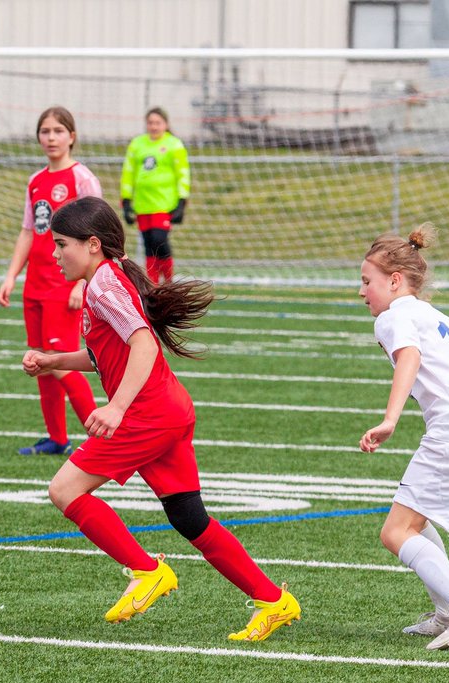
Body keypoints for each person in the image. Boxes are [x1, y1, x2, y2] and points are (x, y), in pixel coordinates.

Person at [23, 196, 299, 642]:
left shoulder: (102, 286)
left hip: (148, 415)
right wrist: (55, 359)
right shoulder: (108, 278)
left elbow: (144, 345)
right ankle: (273, 601)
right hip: (168, 409)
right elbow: (107, 355)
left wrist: (115, 408)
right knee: (190, 519)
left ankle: (145, 570)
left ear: (93, 244)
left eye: (61, 245)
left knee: (64, 490)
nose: (55, 255)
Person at [358, 224, 449, 651]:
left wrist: (389, 420)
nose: (362, 292)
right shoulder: (435, 315)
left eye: (367, 281)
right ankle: (446, 611)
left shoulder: (394, 316)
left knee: (395, 532)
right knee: (412, 518)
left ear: (395, 281)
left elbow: (410, 358)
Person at [0, 106, 100, 456]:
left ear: (72, 136)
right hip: (35, 284)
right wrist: (11, 276)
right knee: (41, 363)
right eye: (45, 131)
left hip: (64, 284)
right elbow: (29, 231)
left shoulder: (82, 178)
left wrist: (82, 283)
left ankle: (100, 435)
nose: (51, 137)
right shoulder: (36, 180)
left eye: (58, 130)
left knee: (58, 360)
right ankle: (57, 438)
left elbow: (97, 235)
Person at [120, 107, 189, 284]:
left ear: (165, 124)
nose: (154, 126)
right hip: (142, 205)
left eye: (158, 123)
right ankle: (153, 285)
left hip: (164, 204)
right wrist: (126, 201)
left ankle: (168, 281)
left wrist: (182, 202)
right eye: (150, 123)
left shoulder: (174, 144)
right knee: (149, 244)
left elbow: (183, 174)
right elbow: (128, 174)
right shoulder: (137, 144)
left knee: (160, 240)